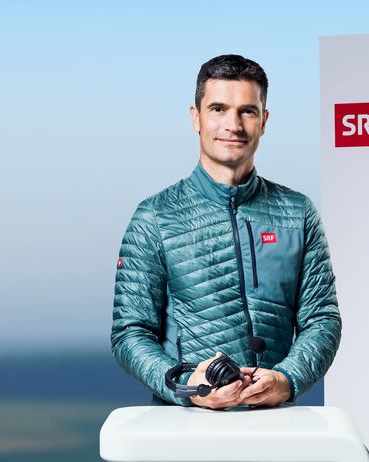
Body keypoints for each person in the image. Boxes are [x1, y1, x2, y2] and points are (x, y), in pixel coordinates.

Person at [111, 54, 341, 410]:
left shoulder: (298, 213)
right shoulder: (154, 216)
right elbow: (130, 332)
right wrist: (189, 386)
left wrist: (287, 380)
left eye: (247, 111)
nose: (233, 125)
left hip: (277, 426)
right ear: (196, 117)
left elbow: (322, 319)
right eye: (218, 109)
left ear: (264, 121)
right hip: (183, 427)